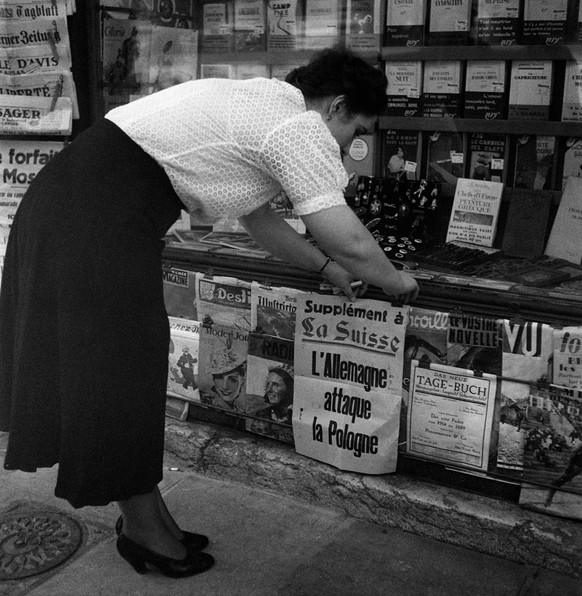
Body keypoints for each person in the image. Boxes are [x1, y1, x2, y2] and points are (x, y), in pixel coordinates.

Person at [0, 47, 418, 579]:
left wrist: (324, 270)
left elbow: (260, 222)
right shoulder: (296, 125)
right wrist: (399, 281)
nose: (347, 147)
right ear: (336, 107)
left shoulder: (263, 106)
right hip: (92, 223)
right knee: (119, 377)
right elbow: (351, 238)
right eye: (356, 129)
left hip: (79, 209)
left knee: (127, 371)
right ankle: (145, 532)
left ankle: (150, 520)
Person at [250, 366, 294, 441]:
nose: (269, 390)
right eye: (268, 385)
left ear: (288, 388)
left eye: (275, 385)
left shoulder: (295, 416)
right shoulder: (262, 415)